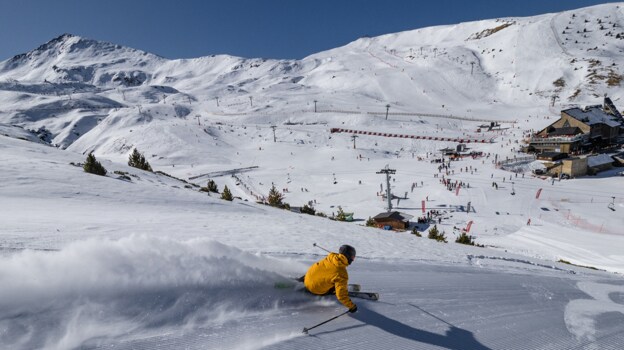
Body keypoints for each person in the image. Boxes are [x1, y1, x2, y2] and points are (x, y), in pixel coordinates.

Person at [299, 245, 358, 313]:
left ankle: (297, 281)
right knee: (336, 285)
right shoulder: (342, 273)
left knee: (324, 273)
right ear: (348, 256)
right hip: (315, 290)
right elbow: (341, 296)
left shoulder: (331, 257)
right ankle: (338, 288)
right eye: (353, 257)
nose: (353, 260)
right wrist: (351, 306)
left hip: (307, 278)